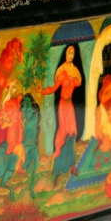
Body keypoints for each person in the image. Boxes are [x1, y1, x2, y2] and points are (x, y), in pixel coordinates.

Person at [42, 45, 82, 178]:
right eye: (69, 53)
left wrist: (73, 79)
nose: (70, 56)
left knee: (72, 133)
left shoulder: (75, 71)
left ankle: (72, 165)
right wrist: (43, 91)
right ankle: (57, 171)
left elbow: (78, 82)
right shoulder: (62, 72)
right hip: (62, 106)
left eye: (72, 53)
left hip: (70, 106)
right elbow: (54, 88)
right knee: (63, 135)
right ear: (65, 54)